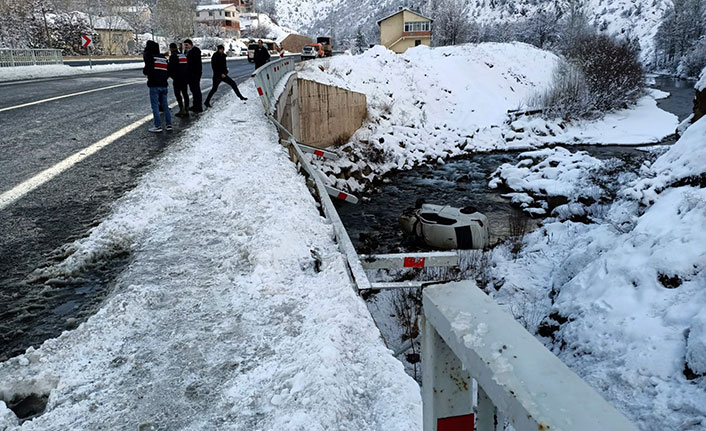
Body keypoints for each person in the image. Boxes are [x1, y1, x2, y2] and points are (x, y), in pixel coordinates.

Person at [142, 40, 172, 133]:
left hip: (154, 85)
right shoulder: (163, 58)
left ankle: (158, 126)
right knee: (165, 106)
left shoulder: (151, 58)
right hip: (164, 84)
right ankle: (169, 125)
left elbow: (147, 70)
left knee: (155, 106)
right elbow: (168, 71)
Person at [167, 42, 189, 117]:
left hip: (177, 78)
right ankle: (187, 109)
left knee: (178, 94)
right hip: (185, 77)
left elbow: (170, 68)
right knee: (185, 93)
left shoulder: (173, 56)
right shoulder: (183, 55)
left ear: (171, 48)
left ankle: (181, 109)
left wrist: (169, 76)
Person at [183, 39, 203, 113]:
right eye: (185, 45)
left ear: (191, 44)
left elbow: (195, 64)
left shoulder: (195, 51)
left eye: (187, 45)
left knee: (196, 90)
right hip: (190, 74)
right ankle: (195, 105)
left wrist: (196, 74)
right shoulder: (186, 52)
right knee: (193, 90)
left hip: (195, 74)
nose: (186, 47)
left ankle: (198, 107)